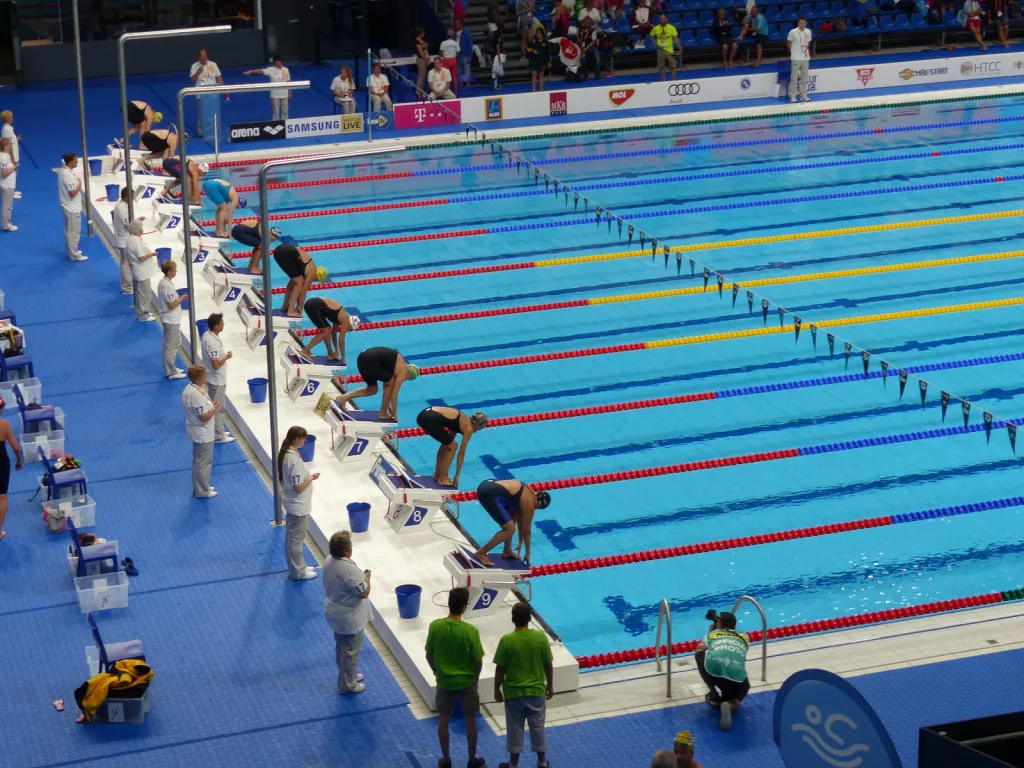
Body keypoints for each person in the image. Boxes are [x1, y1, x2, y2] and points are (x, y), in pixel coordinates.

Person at [426, 587, 486, 768]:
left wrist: (437, 672)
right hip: (467, 682)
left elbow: (429, 654)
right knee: (470, 720)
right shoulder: (470, 631)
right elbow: (478, 661)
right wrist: (475, 679)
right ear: (464, 607)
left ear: (449, 604)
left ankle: (445, 760)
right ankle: (472, 759)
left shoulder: (436, 625)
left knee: (443, 719)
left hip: (444, 681)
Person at [493, 602, 553, 768]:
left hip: (513, 693)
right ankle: (542, 761)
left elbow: (500, 668)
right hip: (536, 691)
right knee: (538, 727)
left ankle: (513, 764)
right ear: (530, 618)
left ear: (512, 619)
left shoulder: (507, 640)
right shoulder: (540, 637)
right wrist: (550, 685)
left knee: (514, 729)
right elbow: (548, 663)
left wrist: (496, 689)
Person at [324, 530, 371, 694]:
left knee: (342, 648)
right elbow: (364, 593)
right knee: (350, 652)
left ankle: (348, 674)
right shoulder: (350, 571)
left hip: (335, 612)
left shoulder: (329, 560)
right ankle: (347, 684)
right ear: (345, 551)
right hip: (348, 617)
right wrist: (367, 579)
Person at [695, 610, 751, 731]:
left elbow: (700, 648)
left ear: (719, 623)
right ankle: (730, 705)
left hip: (715, 672)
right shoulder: (745, 636)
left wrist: (711, 632)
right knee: (738, 694)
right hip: (737, 677)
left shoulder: (711, 635)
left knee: (699, 653)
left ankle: (714, 694)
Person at [474, 479, 551, 566]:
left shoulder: (527, 494)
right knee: (509, 529)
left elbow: (519, 521)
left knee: (512, 518)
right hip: (489, 493)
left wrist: (520, 541)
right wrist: (528, 553)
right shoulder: (530, 503)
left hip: (487, 485)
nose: (534, 509)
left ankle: (507, 550)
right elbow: (527, 532)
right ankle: (481, 552)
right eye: (536, 508)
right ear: (538, 505)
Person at [278, 425, 320, 580]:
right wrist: (311, 478)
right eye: (303, 438)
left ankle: (299, 567)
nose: (304, 441)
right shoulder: (293, 460)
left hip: (295, 503)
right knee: (295, 540)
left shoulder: (289, 454)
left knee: (294, 539)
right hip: (298, 505)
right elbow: (298, 487)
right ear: (297, 439)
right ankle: (298, 572)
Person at [334, 347, 419, 420]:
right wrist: (395, 414)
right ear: (409, 376)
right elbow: (394, 395)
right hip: (371, 360)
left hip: (362, 357)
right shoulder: (403, 372)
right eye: (407, 379)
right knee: (391, 384)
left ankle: (343, 398)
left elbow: (386, 386)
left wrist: (388, 406)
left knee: (372, 389)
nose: (404, 380)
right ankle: (382, 413)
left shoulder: (397, 365)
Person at [415, 407, 487, 487]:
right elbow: (461, 454)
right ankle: (443, 478)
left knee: (447, 444)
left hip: (424, 415)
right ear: (476, 424)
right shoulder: (469, 429)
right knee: (454, 445)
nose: (479, 430)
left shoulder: (462, 420)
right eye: (481, 427)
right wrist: (457, 475)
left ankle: (437, 475)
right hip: (429, 418)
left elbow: (447, 443)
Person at [182, 365, 220, 498]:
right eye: (203, 376)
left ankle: (199, 486)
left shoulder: (191, 389)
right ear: (198, 379)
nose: (205, 378)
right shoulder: (195, 395)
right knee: (204, 462)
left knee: (198, 461)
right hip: (203, 433)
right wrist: (214, 409)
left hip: (199, 431)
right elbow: (204, 417)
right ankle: (203, 490)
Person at [201, 313, 234, 444]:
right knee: (218, 408)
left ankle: (217, 429)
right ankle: (218, 434)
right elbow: (215, 364)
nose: (224, 324)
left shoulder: (207, 335)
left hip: (213, 378)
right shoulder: (213, 342)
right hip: (217, 379)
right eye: (222, 322)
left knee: (216, 406)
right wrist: (226, 357)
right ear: (216, 325)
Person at [157, 260, 187, 380]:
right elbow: (172, 305)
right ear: (169, 272)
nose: (176, 272)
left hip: (170, 319)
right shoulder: (167, 286)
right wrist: (182, 298)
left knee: (172, 345)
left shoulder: (164, 282)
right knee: (170, 347)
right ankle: (171, 371)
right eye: (174, 270)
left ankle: (171, 367)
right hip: (170, 320)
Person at [301, 297, 356, 363]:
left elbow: (333, 334)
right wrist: (343, 358)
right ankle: (305, 351)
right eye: (350, 329)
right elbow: (341, 341)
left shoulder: (340, 318)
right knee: (325, 332)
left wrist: (336, 351)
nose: (348, 330)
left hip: (313, 304)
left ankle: (330, 354)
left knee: (327, 329)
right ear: (351, 324)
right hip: (314, 305)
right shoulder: (345, 320)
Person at [0, 396, 24, 541]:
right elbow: (15, 447)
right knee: (2, 497)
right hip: (1, 462)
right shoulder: (4, 424)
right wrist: (19, 461)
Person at [272, 242, 317, 318]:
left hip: (280, 249)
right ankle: (290, 310)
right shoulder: (312, 274)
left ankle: (285, 305)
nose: (313, 281)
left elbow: (292, 285)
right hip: (287, 252)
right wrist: (300, 309)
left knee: (294, 281)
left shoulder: (308, 269)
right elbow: (302, 293)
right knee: (299, 282)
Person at [126, 219, 158, 321]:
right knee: (144, 294)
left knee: (140, 292)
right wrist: (152, 254)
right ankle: (143, 315)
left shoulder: (130, 239)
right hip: (142, 272)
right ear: (139, 230)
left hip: (137, 270)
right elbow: (141, 257)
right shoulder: (136, 241)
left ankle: (142, 311)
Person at [58, 152, 88, 262]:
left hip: (69, 206)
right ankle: (74, 255)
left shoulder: (64, 171)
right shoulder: (68, 175)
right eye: (76, 160)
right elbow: (72, 193)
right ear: (70, 162)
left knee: (70, 231)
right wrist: (79, 185)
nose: (77, 162)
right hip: (71, 208)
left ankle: (72, 251)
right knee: (74, 232)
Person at [189, 49, 224, 137]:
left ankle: (214, 130)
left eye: (205, 56)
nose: (203, 58)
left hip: (213, 93)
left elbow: (219, 77)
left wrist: (224, 89)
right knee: (201, 113)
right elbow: (192, 79)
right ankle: (201, 131)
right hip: (200, 93)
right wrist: (198, 72)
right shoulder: (194, 66)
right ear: (199, 57)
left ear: (207, 56)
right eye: (201, 56)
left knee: (214, 112)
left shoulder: (213, 64)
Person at [112, 187, 134, 295]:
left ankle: (126, 286)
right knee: (126, 264)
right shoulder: (123, 209)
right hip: (124, 240)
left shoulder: (118, 205)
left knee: (125, 263)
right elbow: (128, 225)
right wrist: (138, 223)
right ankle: (127, 288)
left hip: (122, 238)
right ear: (127, 197)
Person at [787, 16, 812, 102]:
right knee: (794, 77)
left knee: (804, 77)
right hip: (796, 57)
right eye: (800, 23)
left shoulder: (808, 32)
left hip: (805, 57)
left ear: (806, 23)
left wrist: (805, 51)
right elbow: (789, 43)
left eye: (804, 23)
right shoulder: (792, 32)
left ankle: (803, 94)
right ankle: (793, 95)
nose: (802, 24)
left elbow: (808, 42)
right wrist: (793, 52)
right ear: (798, 23)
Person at [650, 13, 681, 80]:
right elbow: (651, 35)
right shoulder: (656, 28)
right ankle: (663, 81)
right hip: (660, 50)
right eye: (660, 19)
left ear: (666, 19)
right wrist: (654, 43)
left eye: (663, 19)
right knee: (662, 67)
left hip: (670, 50)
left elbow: (676, 38)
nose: (662, 21)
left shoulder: (672, 28)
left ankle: (674, 81)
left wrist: (680, 48)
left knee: (673, 67)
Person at [0, 110, 21, 200]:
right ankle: (10, 192)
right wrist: (13, 159)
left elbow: (10, 140)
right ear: (9, 119)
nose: (12, 118)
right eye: (11, 117)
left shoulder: (6, 129)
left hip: (11, 154)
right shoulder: (8, 129)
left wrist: (16, 139)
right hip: (12, 155)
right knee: (12, 172)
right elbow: (10, 145)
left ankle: (12, 190)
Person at [0, 137, 17, 232]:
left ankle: (7, 223)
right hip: (7, 185)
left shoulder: (5, 155)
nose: (10, 146)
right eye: (8, 145)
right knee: (7, 206)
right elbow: (4, 173)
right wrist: (14, 167)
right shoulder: (2, 157)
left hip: (9, 183)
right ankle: (6, 225)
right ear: (4, 146)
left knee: (8, 205)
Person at [526, 26, 550, 92]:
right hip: (534, 60)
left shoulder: (545, 42)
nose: (538, 35)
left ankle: (541, 89)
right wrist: (532, 51)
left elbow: (548, 52)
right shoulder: (533, 40)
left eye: (539, 33)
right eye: (537, 33)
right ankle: (533, 89)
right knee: (534, 74)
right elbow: (527, 48)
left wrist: (549, 61)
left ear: (542, 34)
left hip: (542, 60)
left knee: (541, 75)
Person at [440, 28, 461, 95]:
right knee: (454, 77)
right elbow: (458, 53)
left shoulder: (443, 43)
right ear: (453, 35)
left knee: (445, 77)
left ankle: (446, 93)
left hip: (446, 60)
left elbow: (440, 53)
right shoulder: (456, 43)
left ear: (447, 35)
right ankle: (456, 93)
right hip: (454, 60)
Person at [456, 18, 475, 91]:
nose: (456, 25)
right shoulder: (455, 33)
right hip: (458, 57)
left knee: (467, 73)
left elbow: (470, 45)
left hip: (465, 56)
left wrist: (470, 56)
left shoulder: (466, 33)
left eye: (458, 23)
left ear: (461, 24)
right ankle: (460, 88)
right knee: (459, 73)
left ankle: (467, 88)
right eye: (456, 23)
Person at [415, 27, 430, 95]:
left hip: (425, 59)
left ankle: (421, 92)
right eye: (423, 32)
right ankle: (418, 92)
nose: (424, 33)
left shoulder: (422, 40)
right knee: (421, 77)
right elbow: (421, 52)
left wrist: (428, 58)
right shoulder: (417, 41)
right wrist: (426, 60)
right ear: (420, 33)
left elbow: (426, 50)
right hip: (421, 60)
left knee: (424, 77)